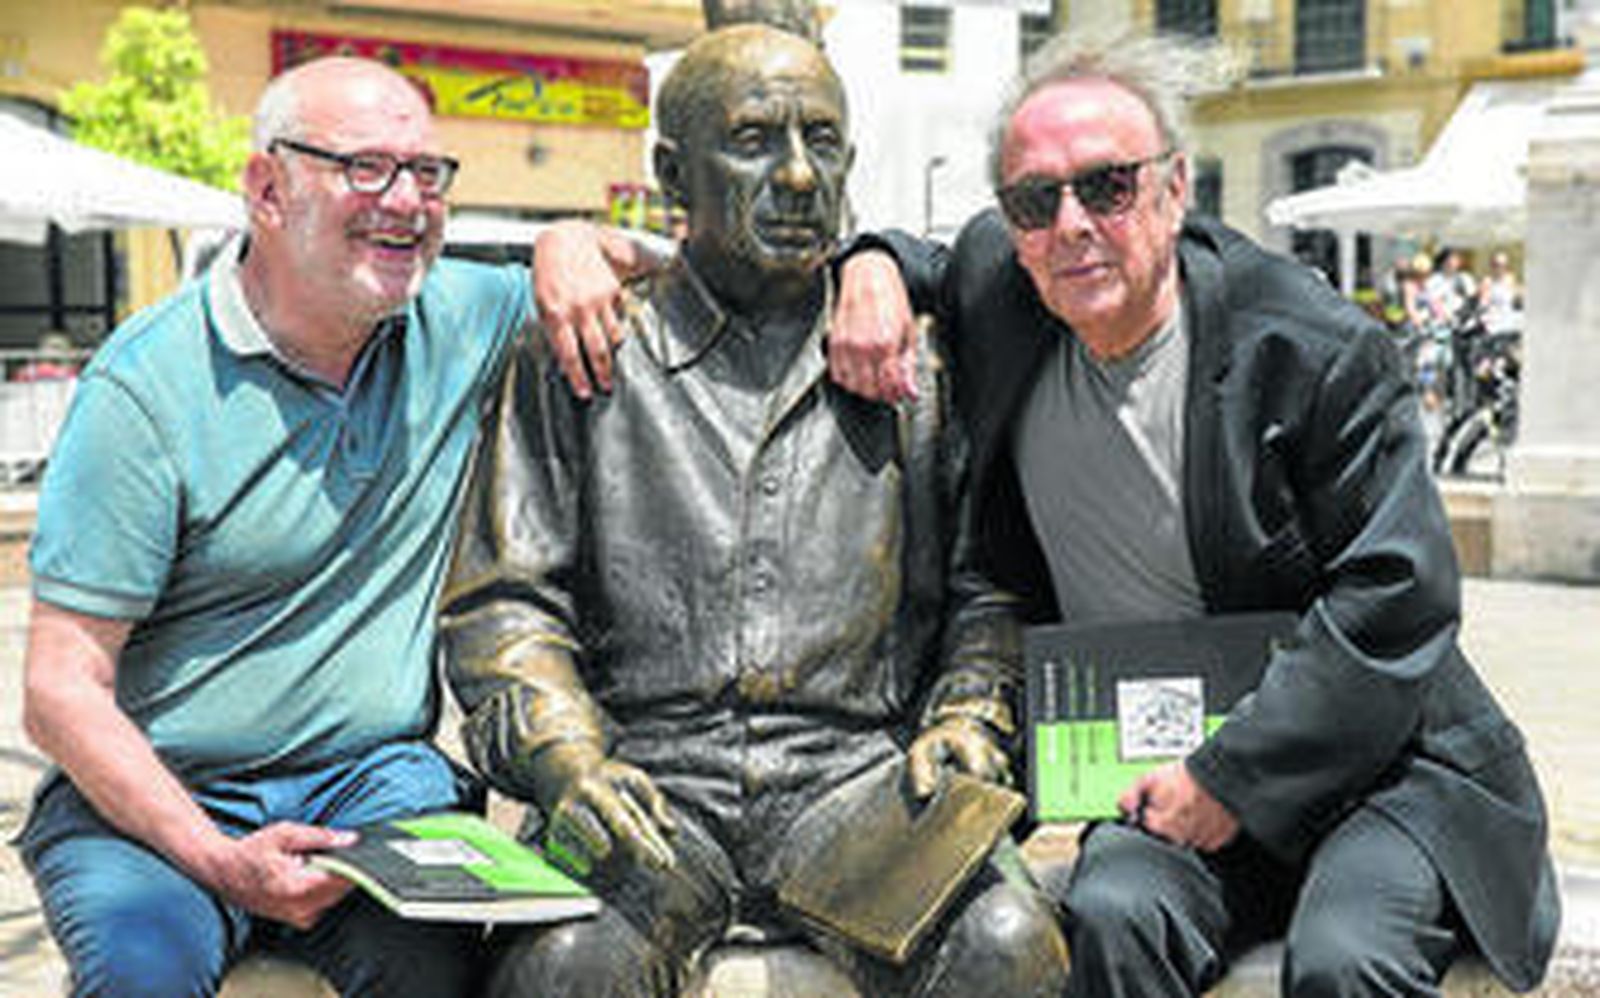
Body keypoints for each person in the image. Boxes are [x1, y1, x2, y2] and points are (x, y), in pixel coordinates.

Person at [817, 29, 1559, 997]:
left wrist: (1232, 776)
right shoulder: (1005, 280)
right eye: (1035, 200)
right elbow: (923, 258)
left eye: (1107, 185)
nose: (1071, 223)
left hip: (1381, 771)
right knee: (1110, 906)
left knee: (1345, 958)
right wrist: (867, 264)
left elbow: (1398, 596)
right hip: (1158, 772)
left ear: (1173, 190)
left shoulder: (1309, 346)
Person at [438, 23, 1068, 998]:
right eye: (751, 140)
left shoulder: (918, 364)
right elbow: (507, 606)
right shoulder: (584, 351)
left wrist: (969, 717)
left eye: (821, 141)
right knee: (560, 968)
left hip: (859, 786)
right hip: (647, 782)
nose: (798, 176)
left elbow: (983, 594)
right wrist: (566, 757)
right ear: (672, 173)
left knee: (1007, 939)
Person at [15, 56, 610, 996]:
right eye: (365, 168)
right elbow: (58, 687)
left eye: (426, 173)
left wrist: (569, 239)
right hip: (163, 797)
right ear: (267, 189)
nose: (406, 201)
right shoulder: (148, 386)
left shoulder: (459, 315)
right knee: (141, 975)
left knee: (437, 970)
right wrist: (215, 856)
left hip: (372, 783)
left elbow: (687, 268)